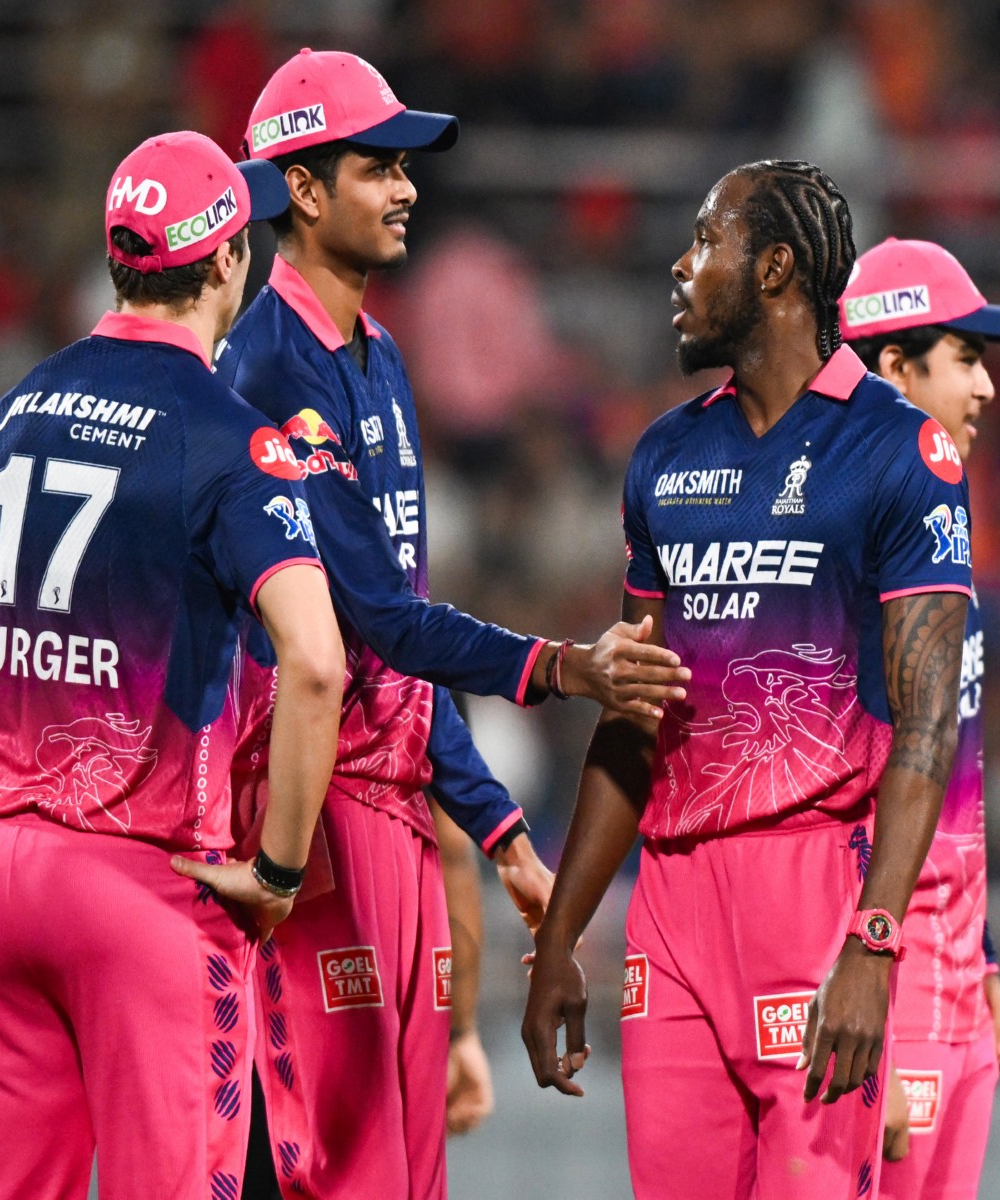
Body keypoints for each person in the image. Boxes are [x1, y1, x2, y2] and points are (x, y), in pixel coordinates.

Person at [217, 49, 688, 1200]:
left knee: (400, 1176)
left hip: (389, 822)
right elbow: (380, 622)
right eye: (379, 167)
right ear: (303, 190)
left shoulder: (377, 357)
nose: (407, 187)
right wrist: (565, 668)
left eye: (404, 166)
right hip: (302, 823)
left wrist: (503, 836)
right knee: (309, 1168)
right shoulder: (267, 366)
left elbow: (402, 658)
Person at [523, 161, 973, 1200]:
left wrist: (874, 944)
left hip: (815, 895)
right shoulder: (663, 457)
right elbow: (634, 716)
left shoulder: (901, 449)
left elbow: (927, 723)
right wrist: (558, 940)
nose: (680, 267)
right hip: (671, 908)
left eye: (704, 241)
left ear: (774, 270)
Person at [0, 131, 345, 1198]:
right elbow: (316, 664)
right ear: (228, 261)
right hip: (140, 887)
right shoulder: (232, 439)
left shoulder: (18, 407)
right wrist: (279, 875)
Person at [840, 237, 1000, 1199]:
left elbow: (951, 785)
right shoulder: (841, 556)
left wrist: (984, 964)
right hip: (884, 979)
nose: (987, 386)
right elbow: (830, 801)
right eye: (966, 358)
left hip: (956, 984)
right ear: (893, 367)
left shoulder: (940, 536)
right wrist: (867, 1005)